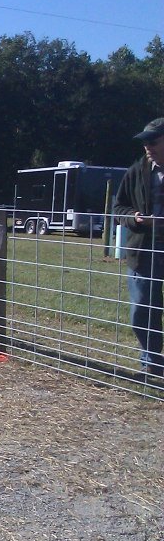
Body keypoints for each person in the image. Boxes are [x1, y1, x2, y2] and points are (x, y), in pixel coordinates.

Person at [113, 116, 164, 378]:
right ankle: (152, 361)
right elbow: (118, 207)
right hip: (143, 251)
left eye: (153, 142)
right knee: (142, 309)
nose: (148, 147)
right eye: (144, 143)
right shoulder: (135, 171)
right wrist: (134, 218)